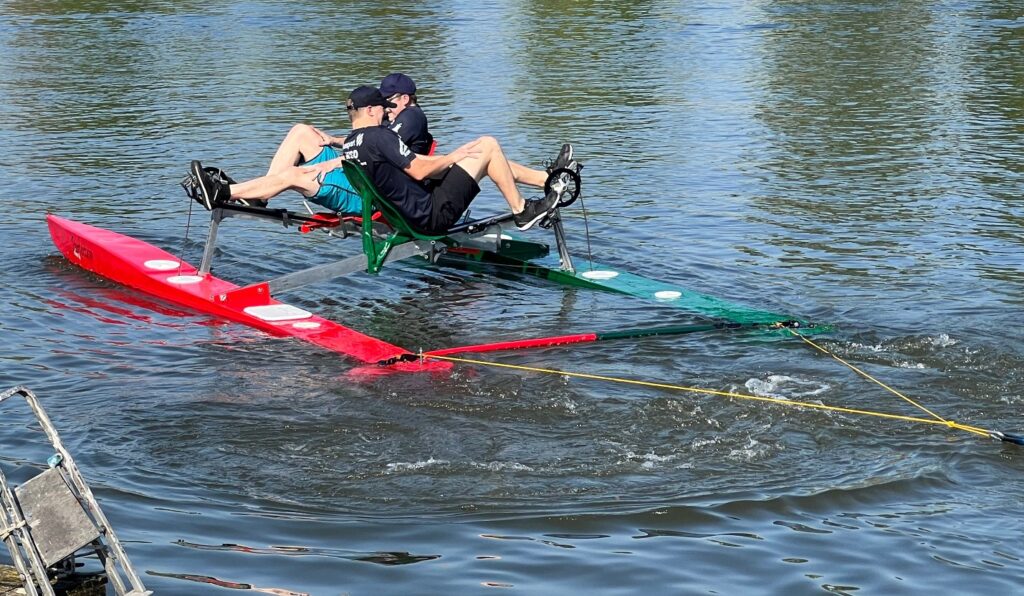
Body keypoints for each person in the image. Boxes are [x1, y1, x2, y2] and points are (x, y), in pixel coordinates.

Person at [379, 72, 434, 155]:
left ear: (405, 99)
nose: (386, 109)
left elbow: (381, 147)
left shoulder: (412, 115)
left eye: (388, 101)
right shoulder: (393, 117)